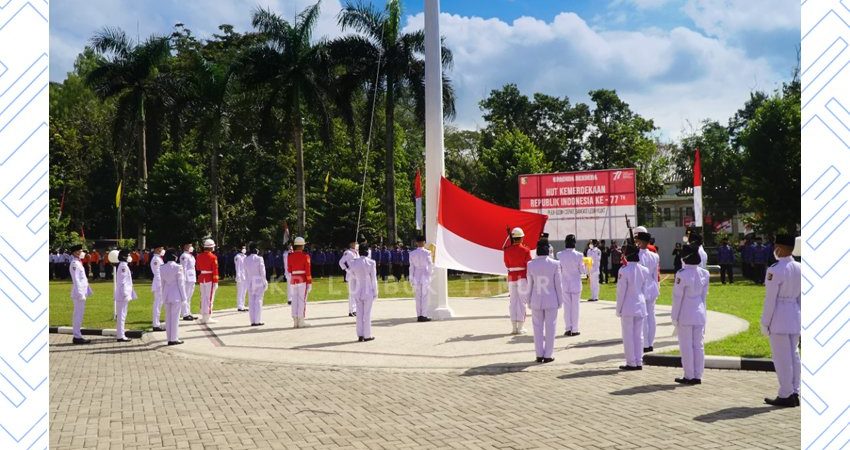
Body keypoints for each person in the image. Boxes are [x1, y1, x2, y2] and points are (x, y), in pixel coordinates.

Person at [762, 234, 801, 407]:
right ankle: (795, 392)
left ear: (782, 248)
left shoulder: (774, 270)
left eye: (776, 246)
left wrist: (765, 322)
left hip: (779, 316)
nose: (774, 249)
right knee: (794, 355)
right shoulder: (800, 267)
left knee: (782, 357)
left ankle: (785, 394)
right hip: (795, 314)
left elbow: (770, 300)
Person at [672, 244, 709, 385]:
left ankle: (689, 375)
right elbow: (704, 297)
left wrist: (674, 317)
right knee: (698, 345)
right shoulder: (704, 273)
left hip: (685, 314)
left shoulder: (682, 273)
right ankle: (698, 375)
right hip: (699, 312)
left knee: (686, 345)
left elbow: (677, 297)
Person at [526, 234, 563, 363]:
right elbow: (559, 285)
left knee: (537, 328)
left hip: (536, 299)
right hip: (551, 299)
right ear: (548, 249)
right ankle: (548, 355)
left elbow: (529, 285)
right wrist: (560, 301)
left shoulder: (530, 264)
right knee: (550, 327)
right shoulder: (555, 264)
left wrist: (528, 300)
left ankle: (539, 354)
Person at [615, 243, 649, 371]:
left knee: (628, 335)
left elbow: (621, 293)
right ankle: (639, 361)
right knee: (639, 335)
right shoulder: (644, 270)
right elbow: (644, 290)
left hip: (628, 306)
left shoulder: (624, 270)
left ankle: (631, 362)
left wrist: (618, 309)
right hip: (640, 304)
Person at [634, 226, 660, 353]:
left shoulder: (637, 255)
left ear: (642, 242)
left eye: (638, 240)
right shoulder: (655, 256)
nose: (636, 242)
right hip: (653, 286)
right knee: (651, 316)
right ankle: (650, 342)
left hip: (643, 287)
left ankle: (645, 344)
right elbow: (656, 275)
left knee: (644, 316)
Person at [503, 227, 532, 335]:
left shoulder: (506, 250)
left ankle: (514, 328)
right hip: (522, 277)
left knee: (513, 302)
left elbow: (506, 264)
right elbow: (528, 264)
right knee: (521, 302)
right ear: (521, 238)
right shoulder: (526, 250)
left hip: (511, 277)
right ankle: (520, 327)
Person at [556, 234, 585, 336]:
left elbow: (560, 269)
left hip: (564, 283)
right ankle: (575, 329)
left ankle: (568, 328)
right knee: (575, 307)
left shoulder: (559, 254)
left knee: (567, 307)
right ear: (575, 243)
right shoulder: (579, 255)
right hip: (576, 283)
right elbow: (582, 270)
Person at [349, 243, 378, 341]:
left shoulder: (353, 262)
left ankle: (360, 334)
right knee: (367, 313)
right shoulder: (371, 262)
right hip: (367, 289)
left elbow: (352, 278)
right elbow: (374, 279)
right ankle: (367, 335)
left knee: (359, 313)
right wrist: (375, 291)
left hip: (357, 289)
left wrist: (352, 290)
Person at [160, 249, 187, 345]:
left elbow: (162, 283)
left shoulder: (162, 267)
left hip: (166, 294)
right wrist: (184, 297)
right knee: (175, 318)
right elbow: (181, 284)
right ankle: (174, 338)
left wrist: (163, 295)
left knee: (168, 317)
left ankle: (169, 338)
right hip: (176, 295)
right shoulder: (178, 267)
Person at [68, 244, 92, 344]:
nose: (82, 253)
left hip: (81, 292)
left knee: (79, 314)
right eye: (80, 251)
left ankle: (77, 335)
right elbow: (76, 280)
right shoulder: (74, 263)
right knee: (78, 315)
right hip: (78, 294)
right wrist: (80, 293)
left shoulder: (78, 262)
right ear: (75, 252)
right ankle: (77, 337)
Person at [288, 237, 313, 328]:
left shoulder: (290, 256)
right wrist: (309, 282)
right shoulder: (305, 256)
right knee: (302, 300)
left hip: (294, 279)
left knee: (294, 300)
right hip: (302, 279)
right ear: (302, 245)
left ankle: (295, 321)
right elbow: (308, 270)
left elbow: (289, 269)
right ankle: (301, 321)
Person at [114, 249, 137, 342]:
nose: (129, 257)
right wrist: (125, 294)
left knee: (123, 314)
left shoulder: (124, 265)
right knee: (122, 315)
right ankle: (120, 336)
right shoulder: (123, 266)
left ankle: (121, 334)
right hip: (122, 294)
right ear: (124, 256)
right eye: (128, 255)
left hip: (123, 294)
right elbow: (123, 282)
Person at [409, 235, 433, 322]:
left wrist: (411, 278)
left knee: (417, 297)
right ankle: (424, 315)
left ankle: (419, 315)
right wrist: (430, 275)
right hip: (425, 275)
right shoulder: (427, 252)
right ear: (424, 242)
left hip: (416, 275)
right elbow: (430, 265)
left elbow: (411, 267)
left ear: (416, 243)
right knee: (425, 296)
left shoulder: (412, 253)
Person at [196, 239, 220, 324]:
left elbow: (198, 268)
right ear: (211, 248)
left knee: (203, 297)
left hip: (202, 278)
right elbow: (215, 270)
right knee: (209, 298)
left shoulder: (199, 256)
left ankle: (203, 315)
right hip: (210, 278)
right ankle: (208, 317)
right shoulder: (213, 257)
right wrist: (216, 281)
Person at [245, 244, 269, 326]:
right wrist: (264, 281)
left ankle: (252, 321)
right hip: (258, 279)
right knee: (258, 300)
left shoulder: (246, 259)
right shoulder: (259, 258)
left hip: (250, 280)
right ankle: (257, 320)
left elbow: (246, 272)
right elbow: (262, 271)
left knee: (251, 301)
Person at [339, 240, 359, 317]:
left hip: (357, 275)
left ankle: (355, 309)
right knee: (352, 293)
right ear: (351, 244)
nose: (357, 244)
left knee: (356, 293)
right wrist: (347, 270)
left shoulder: (356, 252)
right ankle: (352, 310)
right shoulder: (348, 253)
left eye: (357, 243)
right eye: (355, 243)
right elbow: (341, 262)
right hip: (351, 275)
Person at [179, 242, 197, 321]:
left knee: (189, 297)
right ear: (185, 246)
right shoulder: (184, 256)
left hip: (192, 278)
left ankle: (188, 312)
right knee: (185, 296)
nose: (191, 247)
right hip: (187, 279)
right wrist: (184, 279)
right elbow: (183, 268)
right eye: (190, 245)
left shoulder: (190, 255)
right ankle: (185, 314)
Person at [150, 245, 166, 332]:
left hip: (160, 282)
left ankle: (157, 323)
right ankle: (156, 324)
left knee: (159, 303)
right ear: (157, 249)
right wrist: (162, 283)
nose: (162, 250)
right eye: (161, 248)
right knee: (157, 303)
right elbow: (157, 273)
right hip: (159, 283)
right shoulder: (156, 259)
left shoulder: (159, 258)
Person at [234, 245, 248, 312]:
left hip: (245, 276)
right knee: (240, 291)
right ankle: (239, 306)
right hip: (240, 276)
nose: (244, 249)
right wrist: (238, 276)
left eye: (245, 248)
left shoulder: (245, 256)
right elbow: (238, 267)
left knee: (244, 291)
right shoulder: (238, 257)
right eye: (243, 248)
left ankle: (243, 304)